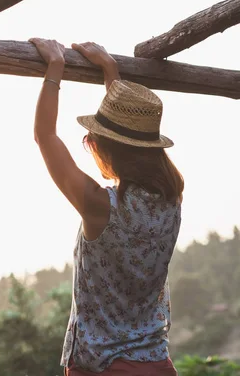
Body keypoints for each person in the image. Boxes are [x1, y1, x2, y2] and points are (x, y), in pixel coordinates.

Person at [27, 38, 183, 376]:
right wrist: (110, 70)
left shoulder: (100, 207)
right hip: (156, 364)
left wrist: (55, 67)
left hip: (103, 367)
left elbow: (45, 135)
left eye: (90, 140)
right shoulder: (171, 201)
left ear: (105, 148)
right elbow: (129, 136)